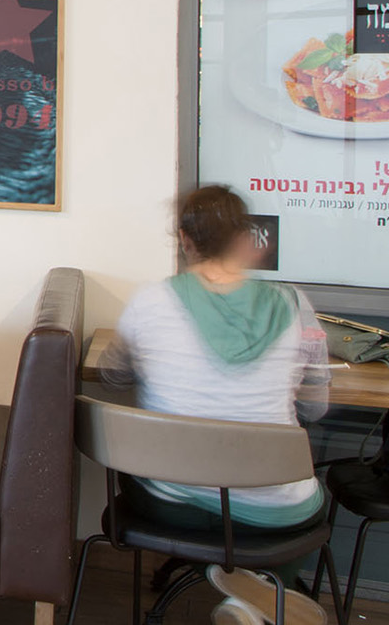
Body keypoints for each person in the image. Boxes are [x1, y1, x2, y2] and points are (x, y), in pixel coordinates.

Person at [98, 185, 328, 624]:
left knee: (156, 477)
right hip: (271, 511)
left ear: (184, 239)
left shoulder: (150, 301)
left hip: (169, 500)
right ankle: (260, 591)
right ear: (245, 238)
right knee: (307, 501)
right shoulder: (294, 305)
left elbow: (112, 378)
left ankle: (248, 594)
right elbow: (315, 409)